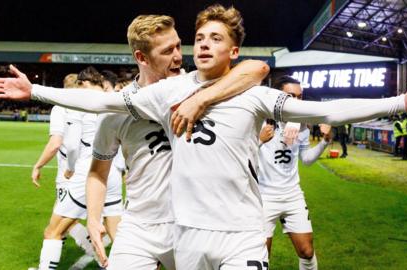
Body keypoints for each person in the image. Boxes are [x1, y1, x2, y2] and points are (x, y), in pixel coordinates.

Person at [0, 4, 407, 269]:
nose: (202, 43)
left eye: (214, 38)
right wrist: (36, 91)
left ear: (233, 49)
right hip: (186, 235)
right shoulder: (168, 90)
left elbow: (322, 108)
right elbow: (104, 103)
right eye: (198, 37)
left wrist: (397, 103)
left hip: (243, 233)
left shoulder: (255, 94)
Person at [86, 14, 269, 269]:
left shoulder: (197, 85)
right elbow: (98, 171)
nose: (178, 56)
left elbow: (255, 68)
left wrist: (200, 99)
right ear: (142, 58)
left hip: (193, 226)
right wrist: (94, 218)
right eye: (168, 50)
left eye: (178, 46)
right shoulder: (117, 111)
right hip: (140, 225)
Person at [258, 76, 331, 270]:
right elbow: (238, 155)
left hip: (292, 195)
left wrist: (325, 141)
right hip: (263, 197)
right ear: (276, 96)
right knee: (261, 258)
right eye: (290, 96)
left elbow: (306, 160)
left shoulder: (303, 126)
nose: (296, 102)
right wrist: (259, 140)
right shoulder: (259, 121)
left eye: (300, 97)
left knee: (307, 252)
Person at [31, 73, 100, 270]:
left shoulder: (62, 107)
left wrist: (38, 165)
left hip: (74, 175)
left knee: (52, 230)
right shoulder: (90, 107)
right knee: (65, 222)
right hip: (98, 172)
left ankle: (105, 259)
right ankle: (101, 254)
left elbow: (58, 144)